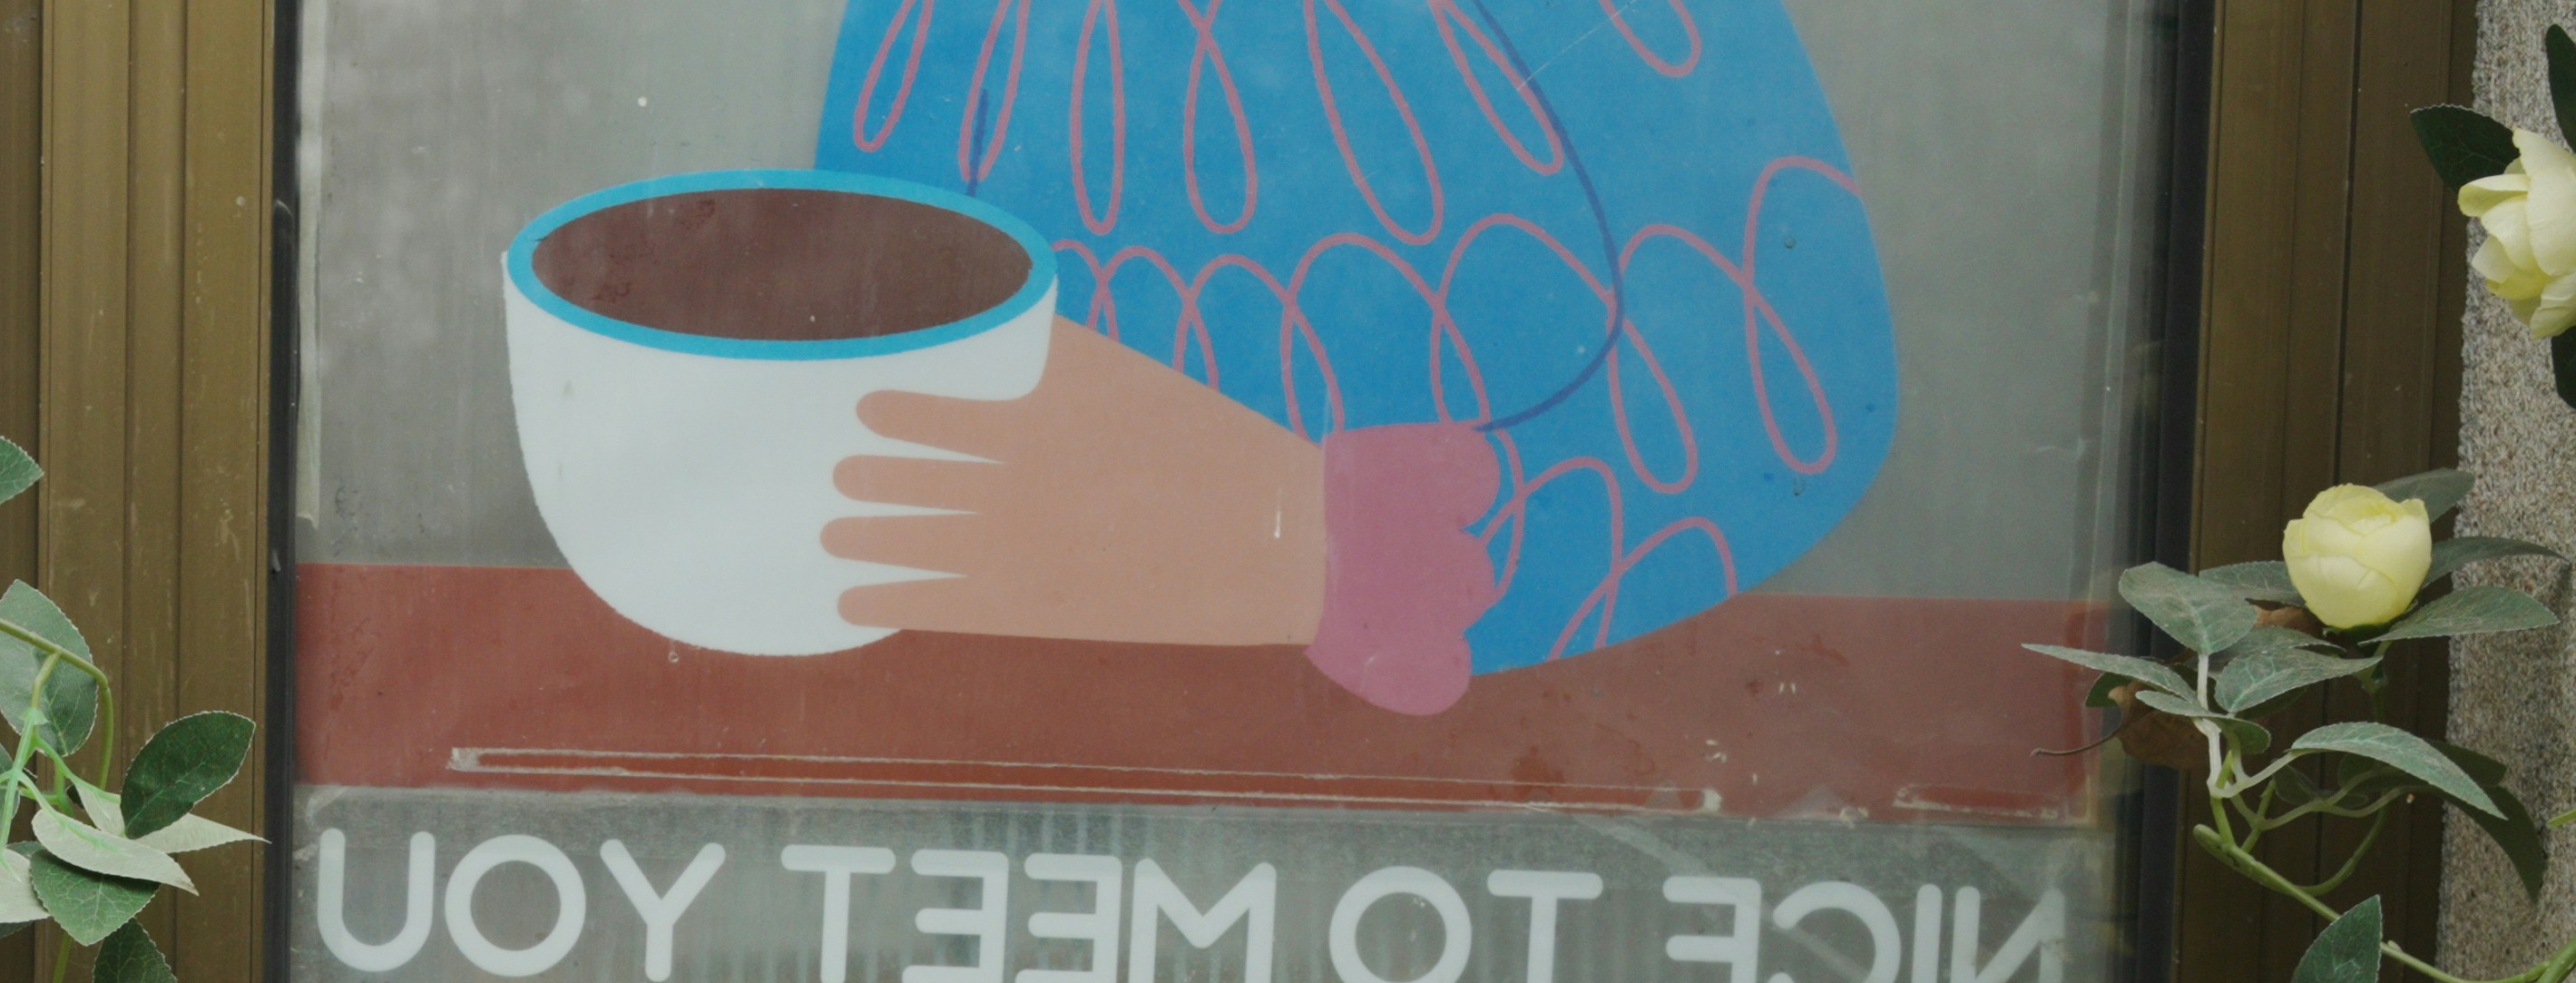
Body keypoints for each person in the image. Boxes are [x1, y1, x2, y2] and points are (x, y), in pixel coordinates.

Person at [802, 0, 1896, 711]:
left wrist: (1309, 546)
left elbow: (1781, 407)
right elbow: (882, 386)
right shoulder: (964, 27)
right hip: (1059, 768)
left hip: (1525, 784)